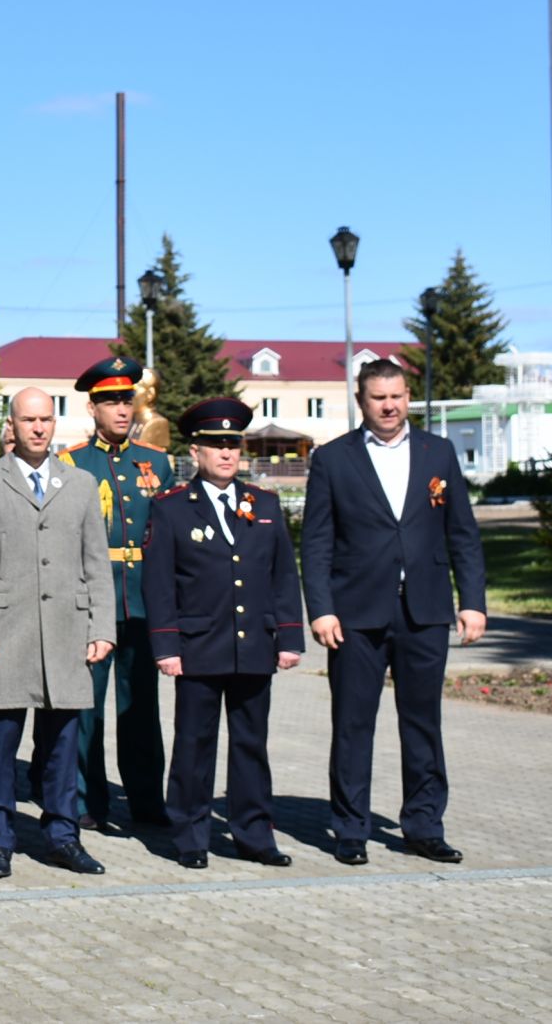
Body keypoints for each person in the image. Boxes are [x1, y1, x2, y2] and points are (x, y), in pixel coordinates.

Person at [301, 359, 487, 866]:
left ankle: (424, 825)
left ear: (409, 398)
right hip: (356, 615)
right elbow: (315, 543)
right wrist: (321, 609)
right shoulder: (334, 459)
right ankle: (351, 829)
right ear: (361, 401)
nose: (389, 406)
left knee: (423, 724)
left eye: (397, 396)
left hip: (424, 612)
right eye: (379, 397)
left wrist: (472, 601)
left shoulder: (438, 452)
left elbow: (463, 533)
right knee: (353, 724)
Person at [0, 387, 113, 880]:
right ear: (13, 425)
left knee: (64, 746)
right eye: (29, 420)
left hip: (69, 631)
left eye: (46, 419)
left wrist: (102, 627)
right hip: (8, 633)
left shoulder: (82, 483)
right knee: (1, 746)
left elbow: (96, 562)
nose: (39, 428)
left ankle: (63, 837)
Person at [144, 399, 304, 869]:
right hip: (197, 647)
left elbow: (282, 577)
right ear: (196, 452)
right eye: (216, 445)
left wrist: (290, 637)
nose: (227, 454)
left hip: (254, 644)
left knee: (251, 743)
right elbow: (159, 585)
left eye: (233, 444)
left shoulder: (265, 505)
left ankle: (255, 834)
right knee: (194, 744)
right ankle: (191, 836)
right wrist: (166, 646)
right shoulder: (172, 509)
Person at [57, 356, 173, 830]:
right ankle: (86, 800)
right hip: (92, 603)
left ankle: (147, 801)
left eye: (126, 399)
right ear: (92, 408)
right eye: (110, 401)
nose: (121, 409)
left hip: (144, 603)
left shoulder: (156, 462)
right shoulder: (71, 463)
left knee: (141, 706)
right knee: (87, 708)